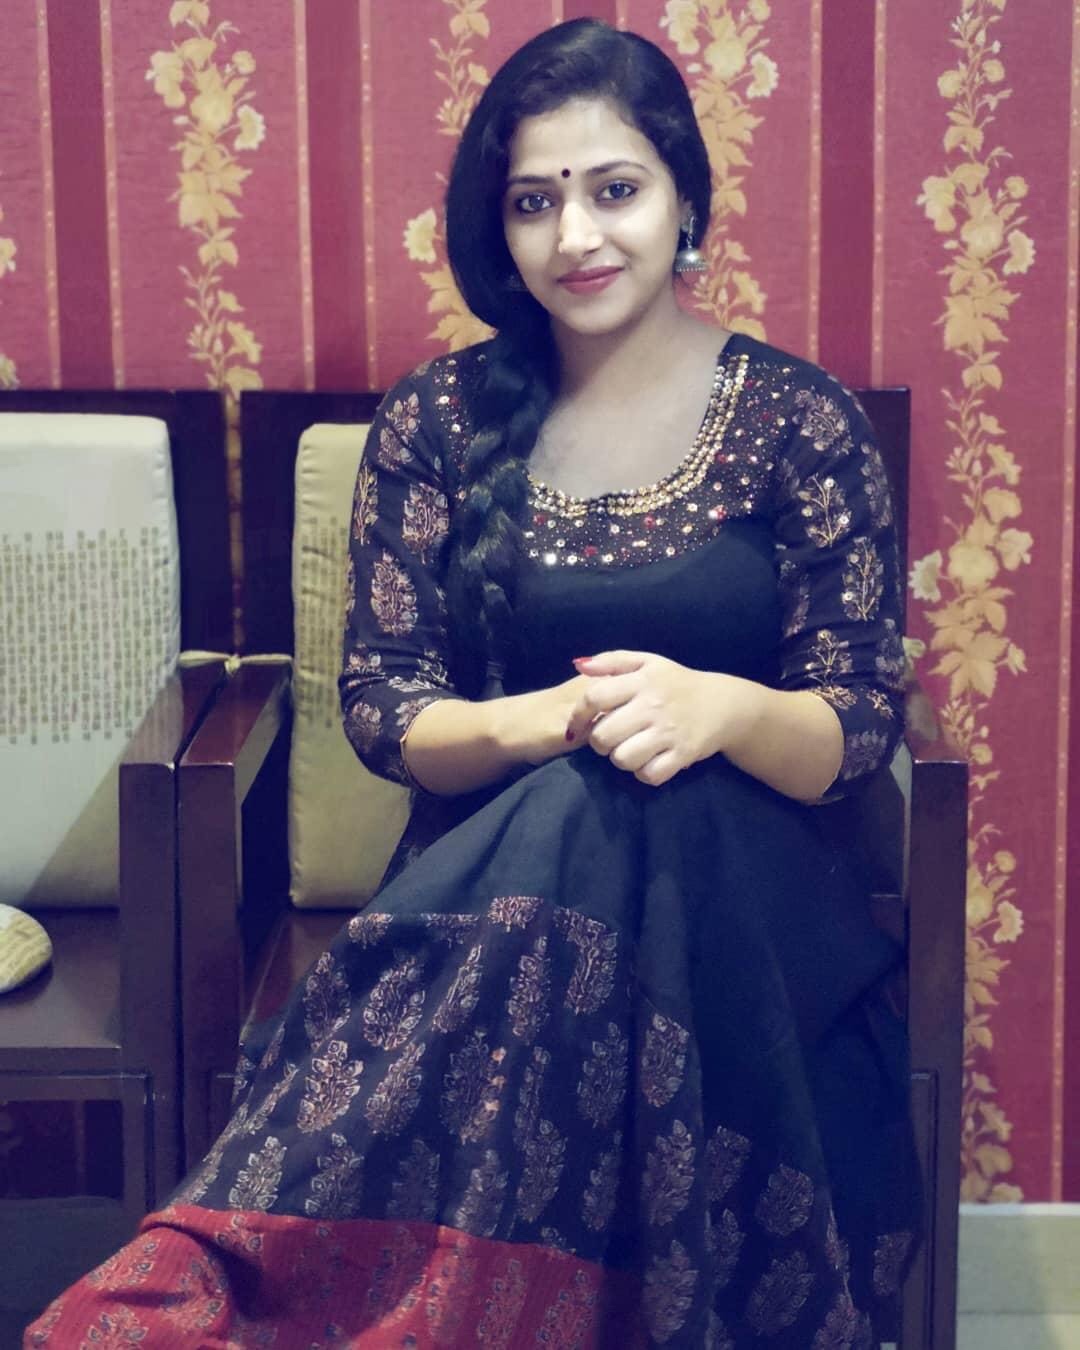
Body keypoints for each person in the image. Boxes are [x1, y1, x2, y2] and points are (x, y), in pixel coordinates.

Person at [27, 19, 918, 1349]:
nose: (577, 235)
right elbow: (386, 711)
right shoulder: (438, 423)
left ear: (684, 201)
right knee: (584, 795)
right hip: (491, 888)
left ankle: (233, 1278)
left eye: (614, 189)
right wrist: (560, 719)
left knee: (644, 804)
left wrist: (719, 710)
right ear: (497, 229)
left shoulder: (801, 422)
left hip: (759, 907)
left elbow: (858, 716)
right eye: (535, 202)